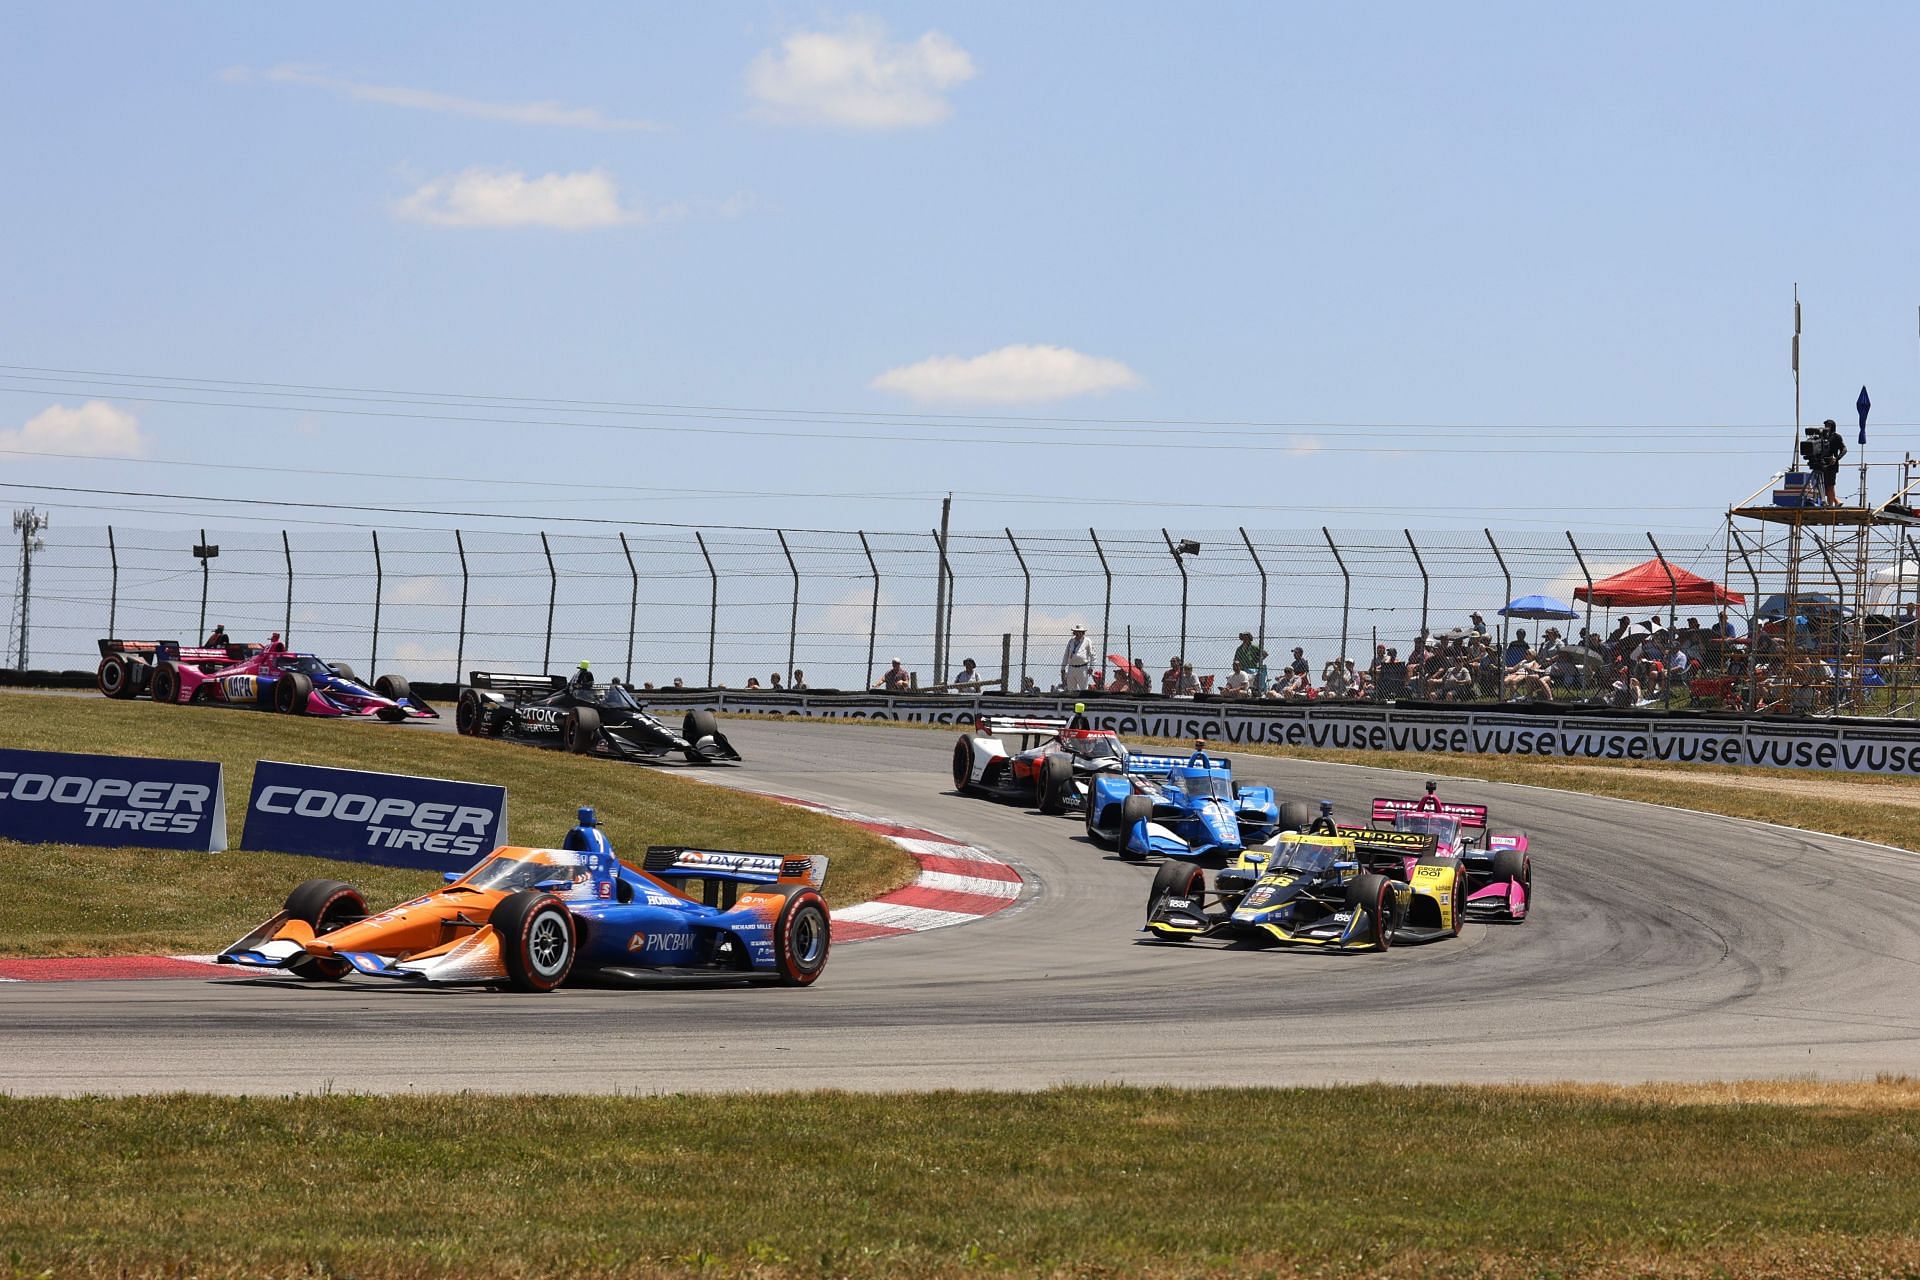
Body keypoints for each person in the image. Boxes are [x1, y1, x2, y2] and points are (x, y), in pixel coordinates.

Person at [1810, 418, 1848, 506]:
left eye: (1828, 425)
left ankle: (1831, 504)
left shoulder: (1837, 437)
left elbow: (1844, 449)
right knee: (1821, 486)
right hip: (1821, 463)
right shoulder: (1822, 437)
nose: (1826, 427)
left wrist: (1836, 458)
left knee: (1830, 486)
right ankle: (1835, 501)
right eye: (1826, 425)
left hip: (1831, 464)